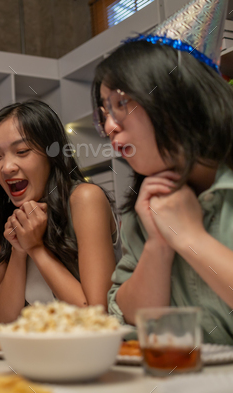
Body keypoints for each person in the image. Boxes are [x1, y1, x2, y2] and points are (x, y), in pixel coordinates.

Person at [94, 0, 233, 344]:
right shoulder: (146, 206)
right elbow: (131, 318)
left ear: (178, 97)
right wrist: (158, 245)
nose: (109, 126)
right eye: (104, 113)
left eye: (121, 104)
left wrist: (190, 238)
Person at [0, 99, 118, 323]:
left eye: (22, 151)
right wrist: (19, 250)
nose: (6, 167)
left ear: (51, 154)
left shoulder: (85, 199)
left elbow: (97, 317)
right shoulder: (5, 214)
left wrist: (35, 247)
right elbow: (1, 318)